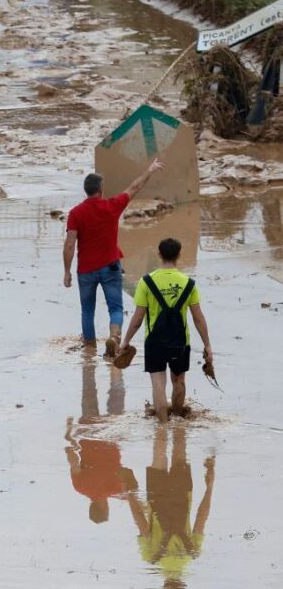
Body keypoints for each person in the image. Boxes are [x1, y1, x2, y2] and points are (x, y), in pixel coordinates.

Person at [63, 158, 165, 355]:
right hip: (110, 266)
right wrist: (149, 170)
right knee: (116, 308)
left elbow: (69, 245)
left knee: (87, 311)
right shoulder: (112, 206)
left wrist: (66, 271)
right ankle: (114, 338)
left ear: (86, 190)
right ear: (101, 188)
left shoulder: (75, 213)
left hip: (85, 270)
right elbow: (134, 187)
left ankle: (90, 350)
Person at [119, 238, 213, 423]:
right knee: (179, 382)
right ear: (179, 255)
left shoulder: (146, 282)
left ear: (159, 255)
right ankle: (178, 423)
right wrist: (207, 345)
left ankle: (162, 429)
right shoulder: (188, 284)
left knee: (158, 386)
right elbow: (198, 318)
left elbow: (138, 318)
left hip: (154, 342)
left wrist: (125, 341)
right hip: (180, 342)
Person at [122, 426, 215, 587]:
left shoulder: (192, 553)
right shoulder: (151, 557)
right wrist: (129, 492)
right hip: (157, 498)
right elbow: (140, 520)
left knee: (180, 445)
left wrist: (209, 486)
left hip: (182, 496)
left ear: (183, 585)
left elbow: (202, 515)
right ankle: (161, 417)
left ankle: (178, 417)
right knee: (160, 446)